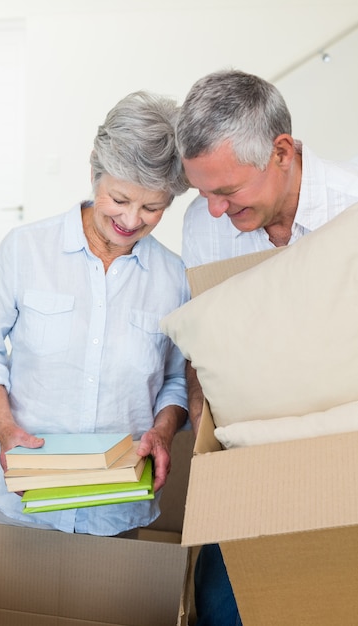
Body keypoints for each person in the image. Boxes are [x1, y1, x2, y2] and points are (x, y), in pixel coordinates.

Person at [0, 90, 190, 536]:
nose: (132, 219)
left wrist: (162, 430)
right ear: (94, 170)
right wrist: (5, 427)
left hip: (116, 507)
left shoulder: (174, 277)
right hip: (19, 497)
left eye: (153, 207)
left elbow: (176, 379)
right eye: (119, 198)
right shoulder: (25, 250)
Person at [175, 69, 358, 626]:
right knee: (220, 609)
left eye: (227, 191)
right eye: (203, 192)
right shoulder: (203, 228)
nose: (213, 210)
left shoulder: (352, 209)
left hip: (344, 456)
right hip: (249, 466)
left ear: (282, 151)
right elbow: (205, 352)